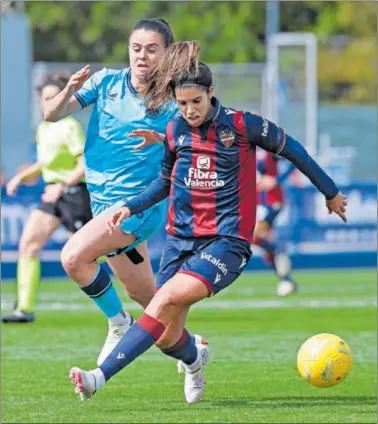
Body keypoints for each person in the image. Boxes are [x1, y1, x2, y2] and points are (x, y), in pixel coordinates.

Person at [68, 41, 348, 404]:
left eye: (196, 102)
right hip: (180, 243)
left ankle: (97, 378)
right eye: (182, 104)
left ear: (211, 93)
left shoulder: (243, 124)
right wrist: (130, 206)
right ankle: (194, 358)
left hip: (226, 244)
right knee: (168, 336)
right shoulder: (174, 131)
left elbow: (292, 148)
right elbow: (164, 183)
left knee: (163, 299)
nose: (189, 110)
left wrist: (330, 191)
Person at [43, 19, 206, 367]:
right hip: (102, 204)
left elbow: (196, 143)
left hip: (137, 207)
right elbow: (51, 115)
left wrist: (163, 139)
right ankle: (193, 353)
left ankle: (118, 323)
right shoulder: (104, 82)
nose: (142, 56)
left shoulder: (173, 99)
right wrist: (69, 88)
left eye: (151, 49)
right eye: (136, 48)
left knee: (73, 258)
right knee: (151, 304)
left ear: (165, 54)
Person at [1, 72, 92, 324]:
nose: (48, 103)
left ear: (64, 99)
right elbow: (45, 162)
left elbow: (84, 164)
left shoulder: (69, 125)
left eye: (54, 97)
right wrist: (21, 177)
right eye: (44, 98)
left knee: (88, 254)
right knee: (28, 245)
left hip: (74, 193)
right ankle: (25, 309)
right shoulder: (43, 127)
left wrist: (62, 186)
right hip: (52, 193)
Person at [254, 151, 298, 296]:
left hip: (271, 201)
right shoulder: (243, 147)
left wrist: (277, 180)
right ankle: (286, 279)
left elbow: (295, 159)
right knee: (267, 245)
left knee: (252, 236)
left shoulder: (268, 147)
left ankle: (286, 278)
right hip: (255, 202)